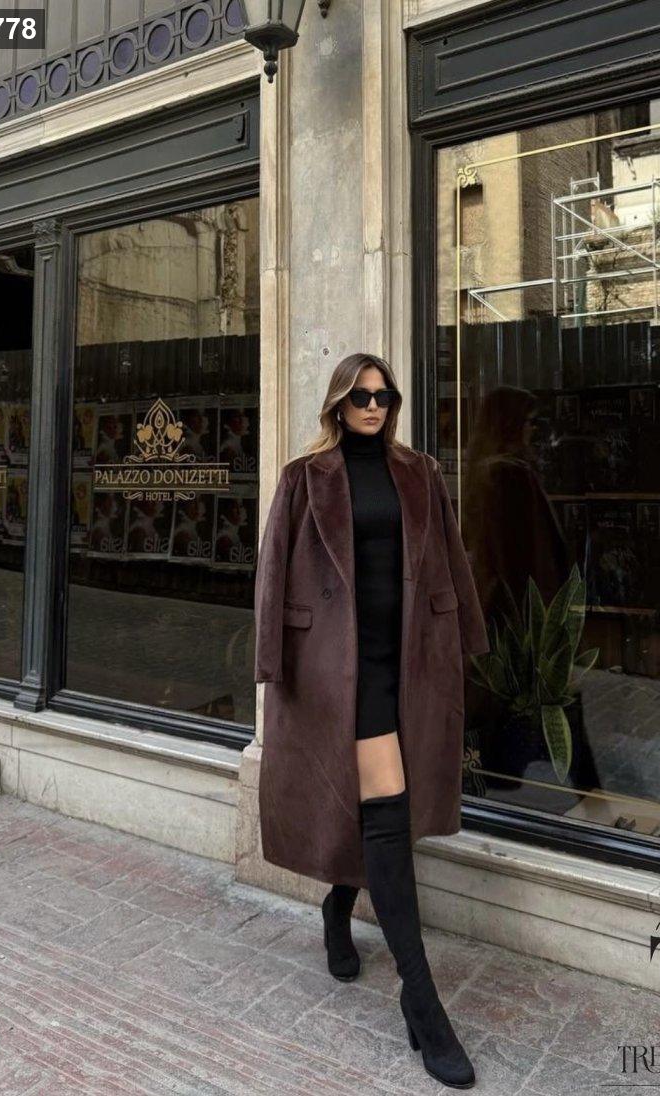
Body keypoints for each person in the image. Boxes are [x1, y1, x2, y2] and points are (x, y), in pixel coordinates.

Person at [254, 352, 490, 1089]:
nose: (374, 406)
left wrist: (468, 638)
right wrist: (271, 663)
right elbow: (272, 570)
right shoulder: (304, 477)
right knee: (386, 814)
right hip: (335, 669)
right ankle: (423, 1002)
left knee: (382, 810)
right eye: (361, 396)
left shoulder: (420, 473)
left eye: (385, 396)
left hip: (408, 659)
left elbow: (450, 558)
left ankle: (337, 906)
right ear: (338, 403)